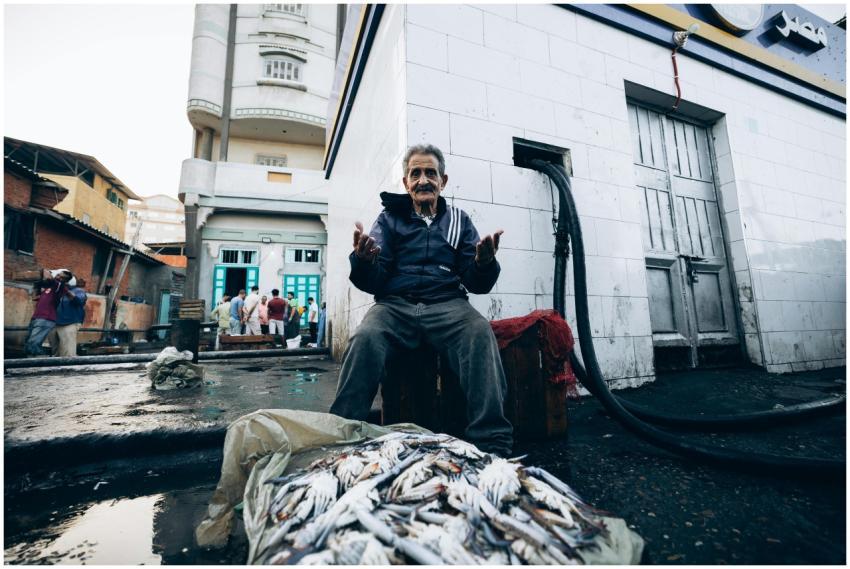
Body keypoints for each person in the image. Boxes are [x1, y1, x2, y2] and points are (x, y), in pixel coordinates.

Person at [329, 143, 513, 456]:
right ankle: (342, 438)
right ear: (405, 183)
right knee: (365, 336)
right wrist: (364, 261)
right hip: (395, 305)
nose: (423, 180)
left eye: (430, 173)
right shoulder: (389, 219)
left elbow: (475, 281)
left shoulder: (458, 220)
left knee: (479, 332)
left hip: (447, 304)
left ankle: (491, 442)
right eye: (415, 173)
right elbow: (376, 278)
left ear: (443, 180)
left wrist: (483, 264)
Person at [24, 269, 71, 356]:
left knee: (33, 343)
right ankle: (28, 363)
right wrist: (36, 286)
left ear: (65, 281)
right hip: (36, 317)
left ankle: (39, 361)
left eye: (62, 277)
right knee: (28, 342)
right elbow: (34, 298)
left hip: (46, 319)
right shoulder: (48, 289)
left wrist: (45, 271)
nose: (59, 277)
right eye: (58, 275)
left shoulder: (59, 286)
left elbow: (46, 273)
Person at [48, 276, 88, 357]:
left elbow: (79, 300)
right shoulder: (58, 292)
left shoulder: (79, 291)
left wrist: (66, 291)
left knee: (67, 353)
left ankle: (68, 368)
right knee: (55, 352)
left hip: (70, 324)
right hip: (55, 323)